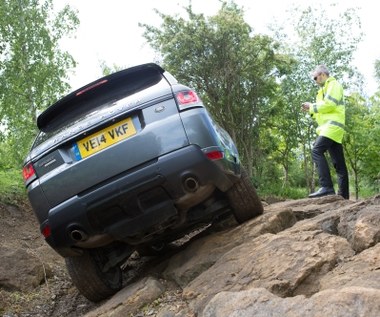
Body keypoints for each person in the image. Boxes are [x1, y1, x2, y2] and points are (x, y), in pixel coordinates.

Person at [301, 65, 349, 199]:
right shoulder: (321, 91)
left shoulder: (333, 84)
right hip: (330, 128)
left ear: (322, 74)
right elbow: (321, 113)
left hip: (332, 127)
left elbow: (330, 105)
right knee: (339, 164)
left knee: (316, 150)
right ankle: (343, 197)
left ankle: (327, 187)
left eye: (315, 77)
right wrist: (310, 110)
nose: (315, 80)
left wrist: (312, 106)